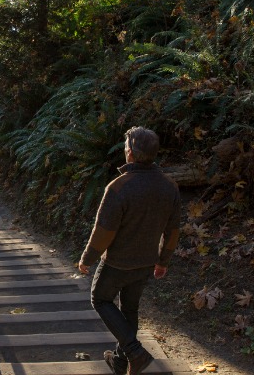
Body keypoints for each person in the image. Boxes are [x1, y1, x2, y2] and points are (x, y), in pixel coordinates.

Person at [77, 126, 181, 375]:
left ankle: (135, 353)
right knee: (129, 309)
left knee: (100, 299)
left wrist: (87, 258)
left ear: (131, 154)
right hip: (146, 262)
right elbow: (173, 230)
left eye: (126, 148)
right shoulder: (170, 187)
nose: (124, 152)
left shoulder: (119, 187)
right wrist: (163, 260)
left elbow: (104, 231)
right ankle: (122, 363)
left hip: (117, 263)